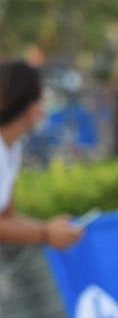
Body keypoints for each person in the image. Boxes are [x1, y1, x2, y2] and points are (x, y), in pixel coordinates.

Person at [0, 61, 84, 249]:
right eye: (41, 100)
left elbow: (7, 217)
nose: (44, 108)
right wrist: (46, 233)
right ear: (30, 107)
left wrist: (50, 228)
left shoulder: (12, 147)